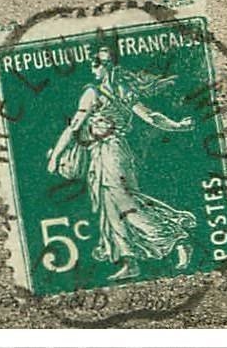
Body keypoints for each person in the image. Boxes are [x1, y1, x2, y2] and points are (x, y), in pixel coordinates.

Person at [46, 46, 197, 280]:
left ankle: (175, 238)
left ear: (109, 67)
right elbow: (152, 117)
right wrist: (177, 125)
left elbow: (74, 126)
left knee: (125, 201)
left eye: (97, 62)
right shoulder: (123, 91)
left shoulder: (94, 93)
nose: (93, 66)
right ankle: (130, 261)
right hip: (108, 152)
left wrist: (56, 156)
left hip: (111, 152)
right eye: (94, 62)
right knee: (110, 208)